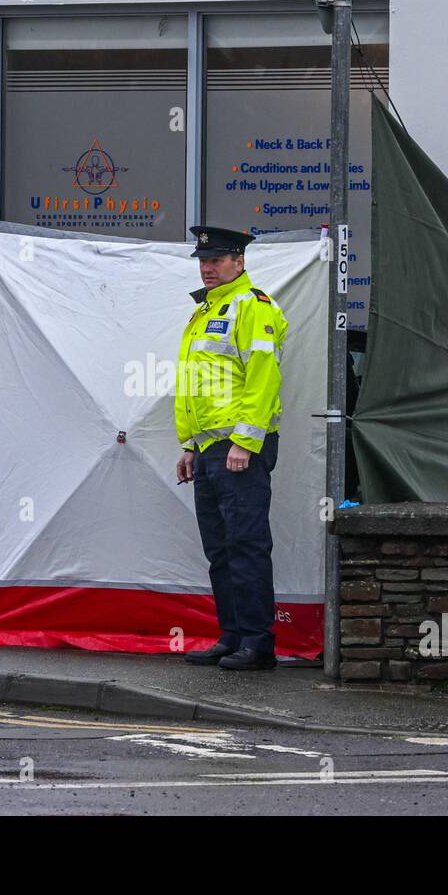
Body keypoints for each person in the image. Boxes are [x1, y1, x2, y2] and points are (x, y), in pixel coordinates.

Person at [174, 225, 288, 670]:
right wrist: (190, 445)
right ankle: (233, 635)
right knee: (219, 549)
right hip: (208, 449)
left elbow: (263, 379)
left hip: (239, 448)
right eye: (204, 261)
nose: (208, 268)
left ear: (239, 262)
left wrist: (245, 441)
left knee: (246, 545)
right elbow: (196, 386)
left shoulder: (252, 307)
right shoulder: (204, 311)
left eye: (217, 260)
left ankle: (258, 644)